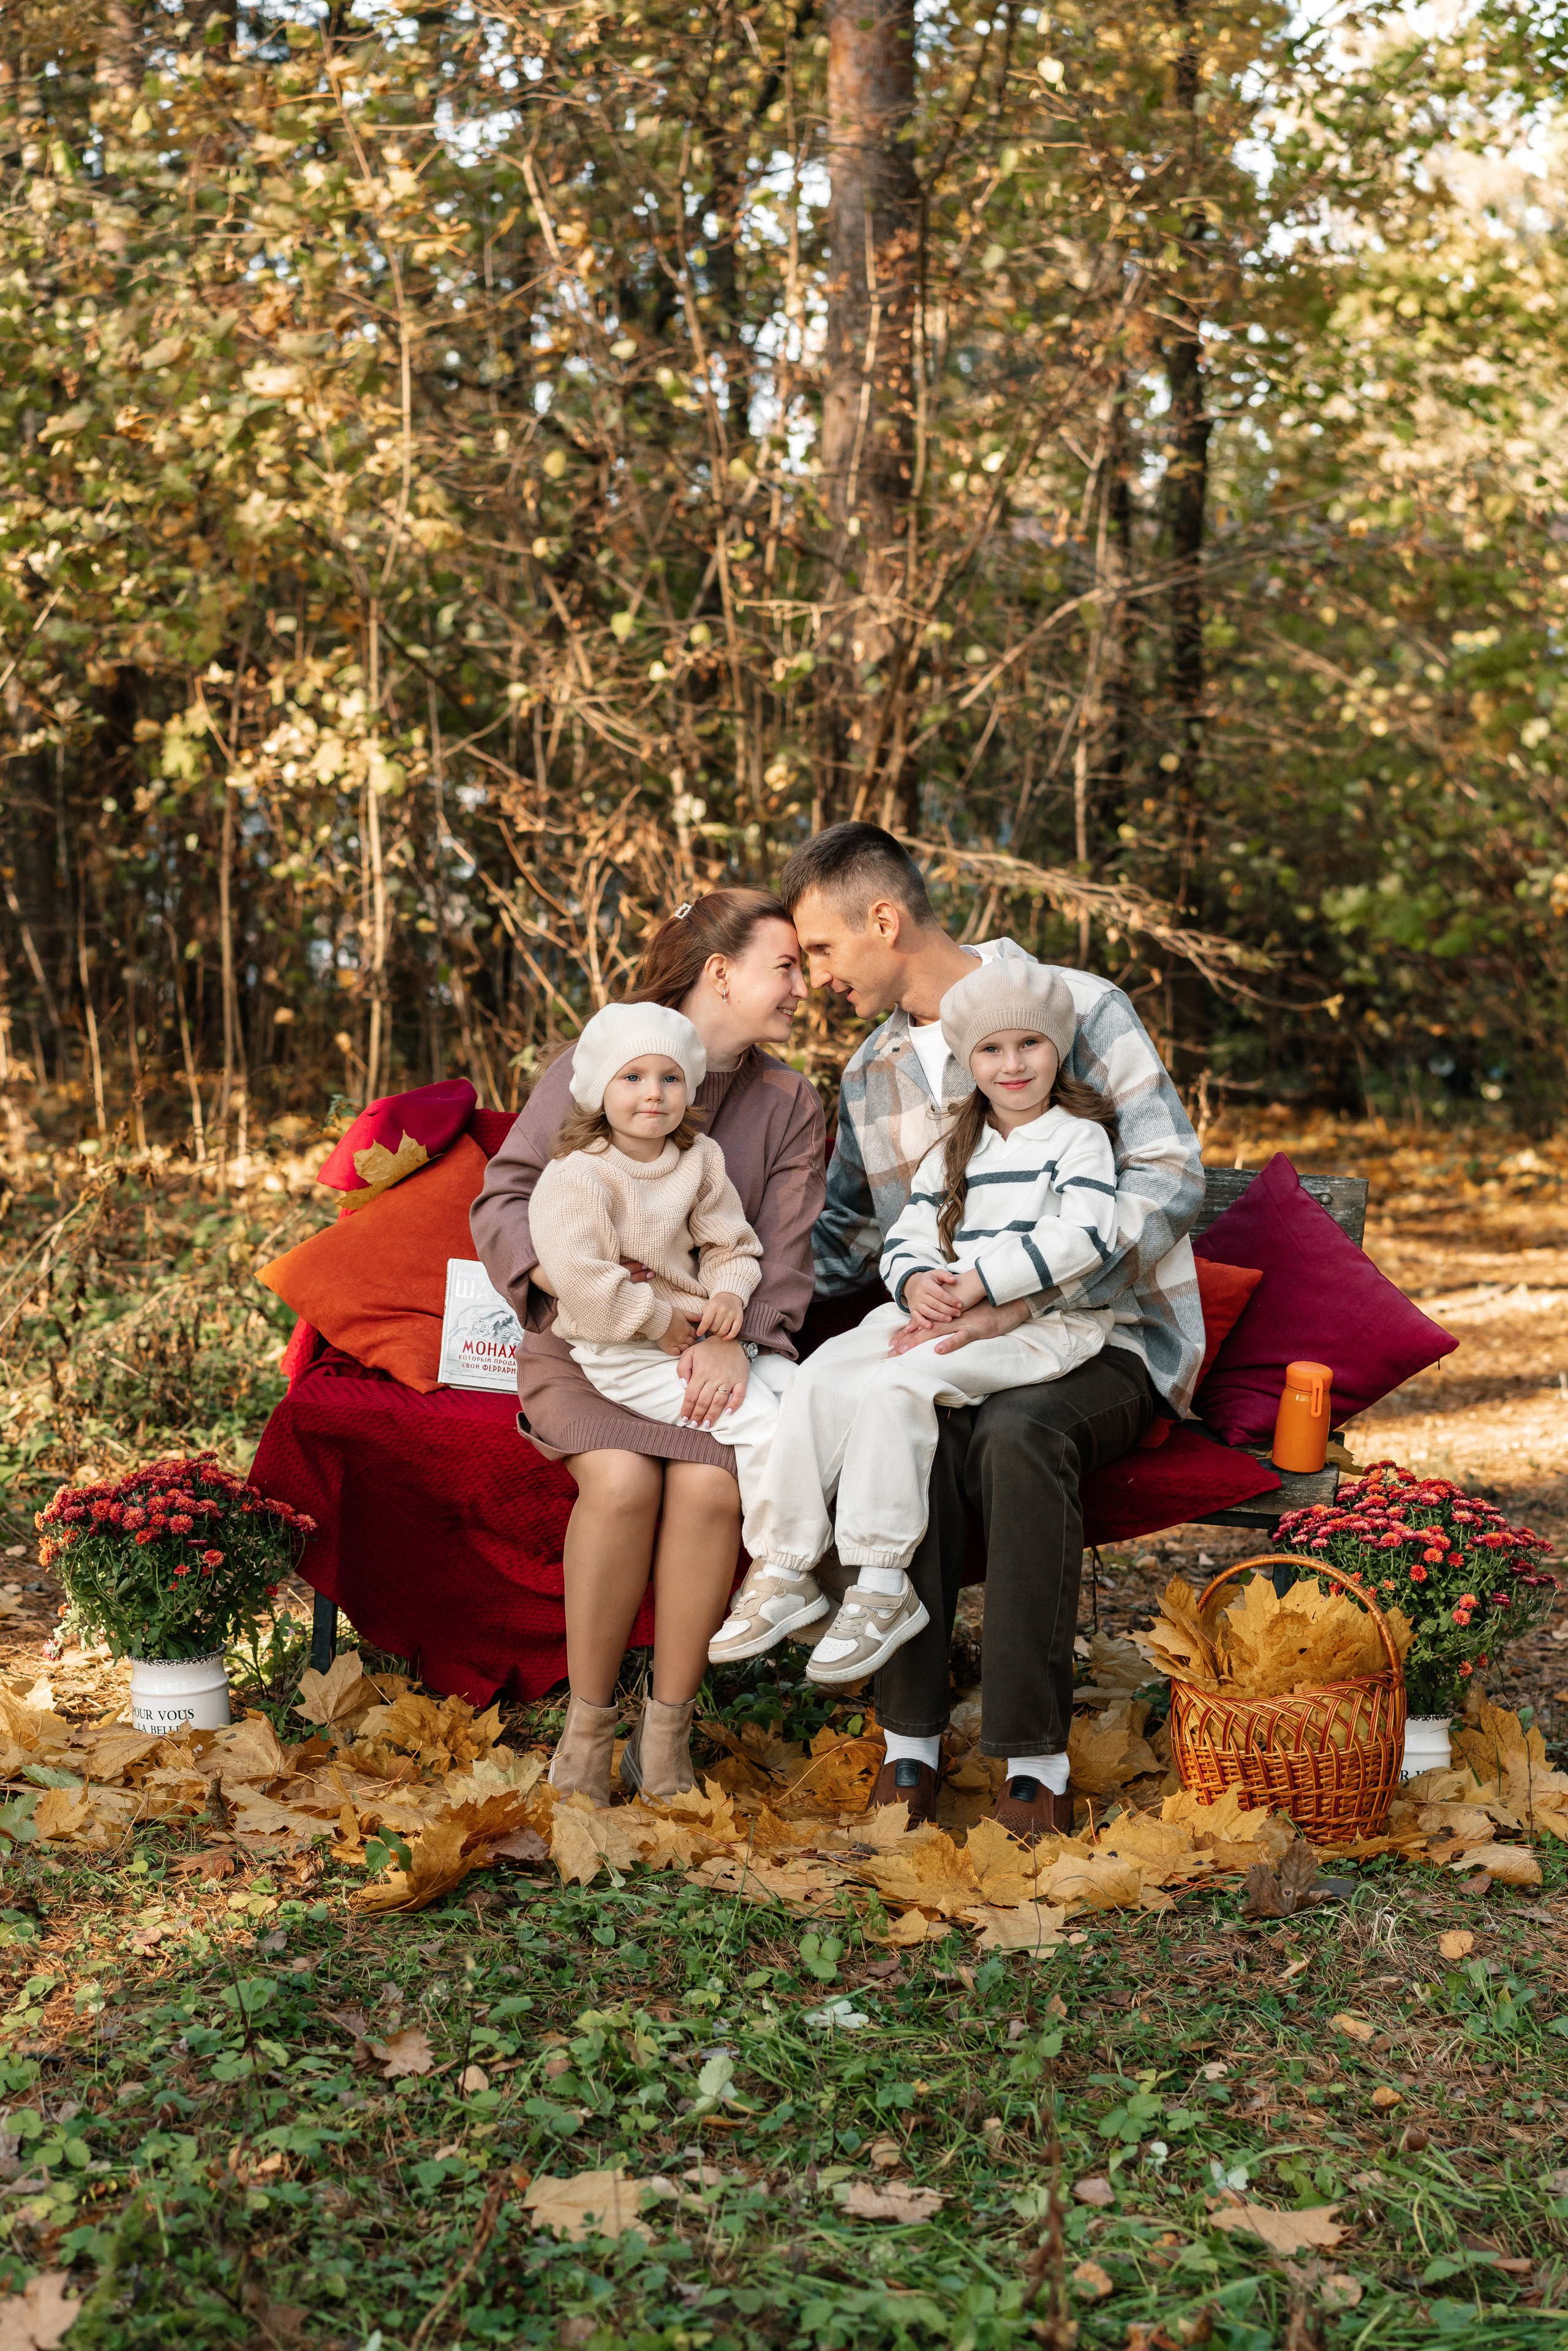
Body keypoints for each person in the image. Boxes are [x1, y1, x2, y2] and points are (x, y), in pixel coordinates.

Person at [780, 823, 1205, 1841]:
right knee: (903, 1423)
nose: (816, 975)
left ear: (884, 921)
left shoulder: (1077, 1005)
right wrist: (714, 1311)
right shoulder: (874, 1071)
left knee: (1020, 1435)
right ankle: (910, 1749)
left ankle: (1032, 1763)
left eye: (824, 950)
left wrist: (1025, 1292)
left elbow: (1169, 1175)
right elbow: (849, 1244)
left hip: (1106, 1337)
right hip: (965, 1353)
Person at [470, 891, 825, 1807]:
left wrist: (733, 1340)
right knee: (623, 1483)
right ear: (721, 972)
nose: (806, 985)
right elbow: (505, 1198)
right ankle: (587, 1729)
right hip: (583, 1336)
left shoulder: (789, 1102)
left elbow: (781, 1252)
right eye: (786, 966)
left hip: (711, 1347)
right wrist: (578, 1293)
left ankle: (665, 1731)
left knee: (710, 1486)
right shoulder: (604, 1060)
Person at [712, 960, 1120, 1688]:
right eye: (991, 1050)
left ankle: (880, 1584)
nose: (1012, 1064)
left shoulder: (1077, 1139)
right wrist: (917, 1279)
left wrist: (975, 1283)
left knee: (899, 1385)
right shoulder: (958, 1144)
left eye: (1030, 1045)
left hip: (1035, 1324)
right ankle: (784, 1564)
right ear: (969, 1061)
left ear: (1058, 1051)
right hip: (937, 1306)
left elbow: (1082, 1237)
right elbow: (907, 1235)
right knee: (823, 1375)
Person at [529, 998, 803, 1793]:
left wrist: (726, 1302)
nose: (653, 1092)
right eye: (633, 1077)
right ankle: (783, 1571)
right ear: (598, 1089)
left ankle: (669, 1730)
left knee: (781, 1418)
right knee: (731, 1435)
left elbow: (735, 1245)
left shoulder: (702, 1157)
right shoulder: (576, 1174)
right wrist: (656, 1318)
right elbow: (579, 1276)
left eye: (671, 1078)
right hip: (614, 1346)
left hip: (693, 1336)